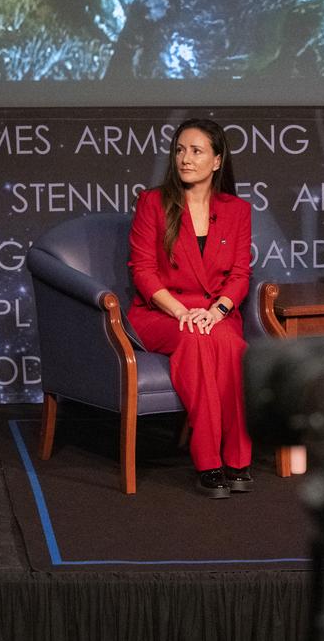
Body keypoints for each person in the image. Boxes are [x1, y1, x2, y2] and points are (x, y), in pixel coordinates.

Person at [127, 118, 253, 498]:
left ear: (217, 161)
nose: (185, 158)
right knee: (196, 342)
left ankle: (238, 459)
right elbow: (143, 272)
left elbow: (240, 274)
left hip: (215, 312)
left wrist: (218, 311)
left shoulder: (237, 210)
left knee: (233, 347)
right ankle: (209, 462)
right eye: (180, 150)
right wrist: (181, 312)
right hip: (160, 312)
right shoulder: (152, 203)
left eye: (196, 151)